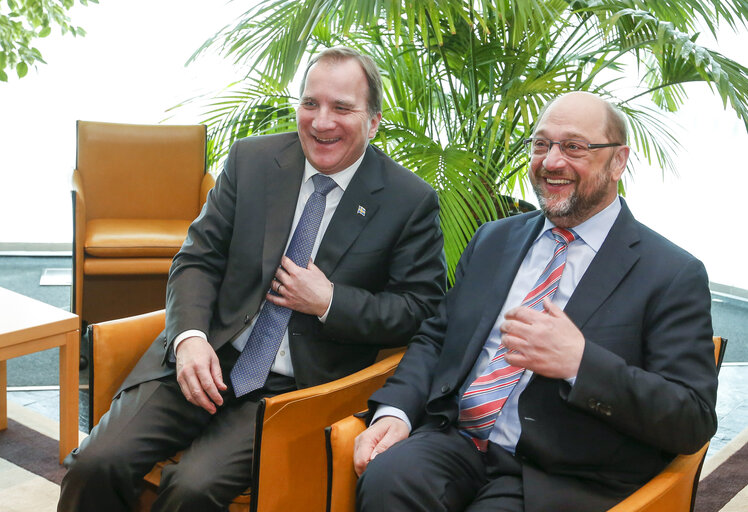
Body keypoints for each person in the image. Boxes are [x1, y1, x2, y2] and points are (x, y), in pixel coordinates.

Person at [58, 46, 447, 511]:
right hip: (210, 354)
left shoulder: (409, 200)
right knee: (95, 462)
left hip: (296, 387)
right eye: (310, 103)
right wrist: (190, 338)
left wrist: (329, 301)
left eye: (342, 108)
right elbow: (197, 259)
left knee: (192, 489)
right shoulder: (253, 161)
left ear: (374, 121)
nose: (321, 122)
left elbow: (420, 309)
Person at [353, 91, 718, 512]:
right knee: (386, 481)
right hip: (456, 439)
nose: (551, 161)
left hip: (560, 472)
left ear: (619, 160)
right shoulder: (494, 239)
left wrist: (581, 363)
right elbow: (437, 338)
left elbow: (691, 418)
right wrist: (395, 412)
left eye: (574, 147)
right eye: (541, 144)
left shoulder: (671, 273)